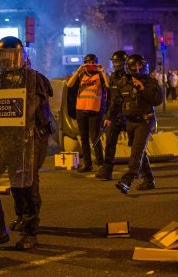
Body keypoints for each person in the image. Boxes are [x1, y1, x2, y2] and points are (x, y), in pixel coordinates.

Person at [0, 36, 53, 251]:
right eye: (1, 55)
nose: (5, 59)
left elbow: (26, 111)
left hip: (30, 139)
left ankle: (29, 231)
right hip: (1, 140)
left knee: (25, 184)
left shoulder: (34, 79)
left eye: (9, 55)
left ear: (21, 56)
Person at [108, 54, 163, 194]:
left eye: (140, 65)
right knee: (140, 152)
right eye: (134, 66)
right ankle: (149, 180)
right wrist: (109, 117)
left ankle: (127, 181)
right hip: (130, 122)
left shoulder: (150, 82)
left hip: (145, 120)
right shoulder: (123, 82)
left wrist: (143, 89)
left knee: (136, 152)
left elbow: (157, 100)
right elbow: (116, 102)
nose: (137, 68)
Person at [66, 54, 108, 172]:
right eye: (88, 62)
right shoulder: (80, 75)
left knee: (95, 138)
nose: (90, 64)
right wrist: (79, 69)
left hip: (95, 111)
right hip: (81, 110)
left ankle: (101, 163)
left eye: (93, 62)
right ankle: (87, 164)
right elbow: (69, 84)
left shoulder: (100, 75)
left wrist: (103, 71)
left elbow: (108, 85)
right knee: (84, 138)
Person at [96, 50, 127, 180]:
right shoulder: (114, 77)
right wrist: (107, 115)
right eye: (114, 62)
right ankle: (107, 170)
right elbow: (111, 98)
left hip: (127, 114)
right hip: (114, 115)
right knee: (110, 143)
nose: (116, 65)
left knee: (136, 145)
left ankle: (141, 170)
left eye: (118, 62)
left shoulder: (129, 76)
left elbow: (120, 99)